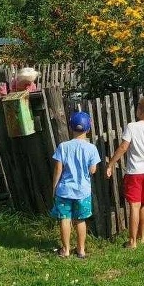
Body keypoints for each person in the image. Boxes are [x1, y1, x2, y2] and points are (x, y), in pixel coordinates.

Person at [104, 95, 144, 248]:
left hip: (134, 172)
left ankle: (132, 242)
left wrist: (111, 163)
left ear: (139, 110)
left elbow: (124, 147)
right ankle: (142, 238)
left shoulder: (132, 127)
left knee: (134, 206)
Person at [51, 110, 101, 259]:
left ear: (71, 127)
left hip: (64, 190)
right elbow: (93, 170)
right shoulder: (91, 148)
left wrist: (54, 187)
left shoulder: (63, 146)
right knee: (80, 220)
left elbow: (58, 168)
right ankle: (81, 250)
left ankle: (65, 250)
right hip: (82, 191)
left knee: (64, 219)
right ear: (88, 128)